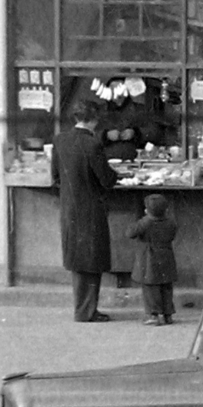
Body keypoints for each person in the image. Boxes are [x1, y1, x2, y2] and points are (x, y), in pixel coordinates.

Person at [50, 106, 118, 322]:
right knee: (91, 259)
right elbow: (106, 180)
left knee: (77, 258)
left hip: (69, 207)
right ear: (94, 120)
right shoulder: (92, 144)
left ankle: (82, 308)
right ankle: (86, 311)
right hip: (91, 208)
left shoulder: (60, 140)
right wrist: (116, 175)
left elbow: (55, 175)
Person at [127, 192, 178, 325]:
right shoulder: (171, 222)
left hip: (149, 259)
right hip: (167, 256)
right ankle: (168, 314)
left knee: (151, 288)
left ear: (146, 210)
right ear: (166, 209)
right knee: (166, 287)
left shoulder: (146, 222)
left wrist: (143, 219)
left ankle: (153, 315)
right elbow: (173, 234)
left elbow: (130, 233)